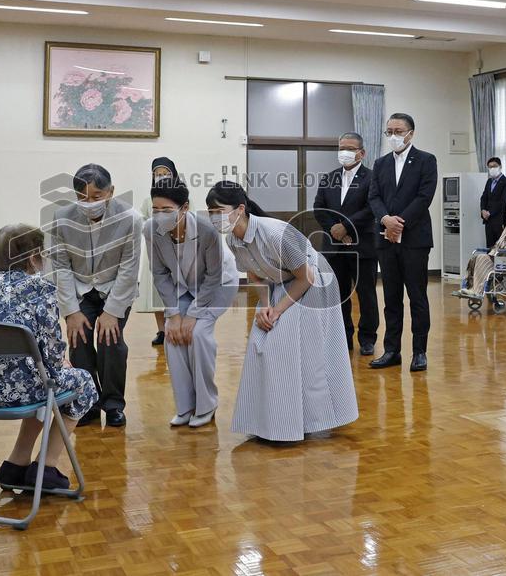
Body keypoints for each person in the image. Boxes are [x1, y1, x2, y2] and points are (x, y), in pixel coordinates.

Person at [206, 180, 358, 442]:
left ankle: (305, 422)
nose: (213, 217)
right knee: (259, 342)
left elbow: (306, 277)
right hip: (280, 284)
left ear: (240, 209)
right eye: (210, 212)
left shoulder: (276, 233)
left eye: (218, 210)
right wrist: (266, 307)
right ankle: (267, 422)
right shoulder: (233, 240)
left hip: (314, 283)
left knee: (288, 346)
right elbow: (256, 276)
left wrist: (277, 311)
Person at [0, 224, 99, 490]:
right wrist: (60, 362)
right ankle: (45, 467)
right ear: (33, 256)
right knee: (82, 384)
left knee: (41, 379)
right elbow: (52, 346)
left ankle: (16, 463)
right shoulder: (39, 289)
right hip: (18, 391)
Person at [49, 164, 142, 428]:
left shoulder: (131, 219)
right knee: (78, 342)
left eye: (96, 196)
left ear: (111, 192)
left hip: (115, 290)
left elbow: (128, 268)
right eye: (82, 198)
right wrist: (71, 311)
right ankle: (87, 403)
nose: (89, 203)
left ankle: (113, 404)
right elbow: (60, 266)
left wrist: (112, 312)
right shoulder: (62, 217)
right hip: (79, 290)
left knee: (111, 342)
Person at [145, 178, 238, 428]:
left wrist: (193, 314)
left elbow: (213, 276)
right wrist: (174, 314)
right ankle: (185, 406)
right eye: (155, 210)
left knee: (197, 334)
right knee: (173, 336)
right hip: (182, 287)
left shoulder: (207, 231)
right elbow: (160, 274)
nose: (159, 215)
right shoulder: (149, 230)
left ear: (184, 207)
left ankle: (207, 403)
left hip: (219, 284)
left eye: (166, 210)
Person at [367, 113, 437, 373]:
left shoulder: (426, 160)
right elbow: (374, 197)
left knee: (417, 297)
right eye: (389, 132)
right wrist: (386, 219)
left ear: (411, 133)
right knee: (391, 297)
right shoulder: (381, 163)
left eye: (398, 131)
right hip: (386, 240)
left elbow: (424, 197)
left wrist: (400, 222)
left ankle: (419, 351)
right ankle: (391, 350)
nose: (393, 136)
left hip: (415, 239)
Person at [312, 132, 378, 355]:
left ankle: (368, 338)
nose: (344, 153)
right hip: (333, 248)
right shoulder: (329, 177)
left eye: (350, 148)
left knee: (366, 294)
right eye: (341, 148)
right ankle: (343, 337)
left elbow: (372, 208)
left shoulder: (372, 178)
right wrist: (335, 230)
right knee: (338, 295)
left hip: (362, 247)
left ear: (362, 152)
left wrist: (347, 227)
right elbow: (319, 207)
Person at [139, 158, 180, 346]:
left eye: (165, 173)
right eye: (158, 174)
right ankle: (162, 330)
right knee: (157, 292)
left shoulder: (182, 197)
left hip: (177, 250)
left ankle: (176, 326)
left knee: (176, 290)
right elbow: (143, 223)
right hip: (155, 249)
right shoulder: (149, 200)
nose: (161, 177)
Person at [459, 200, 506, 297]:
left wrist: (502, 250)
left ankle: (476, 291)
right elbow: (499, 243)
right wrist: (495, 250)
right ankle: (470, 288)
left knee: (482, 258)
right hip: (500, 256)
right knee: (475, 259)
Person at [479, 156, 506, 248]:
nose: (492, 168)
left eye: (494, 166)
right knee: (490, 246)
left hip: (499, 219)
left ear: (500, 166)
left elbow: (503, 201)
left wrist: (490, 212)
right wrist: (483, 210)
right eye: (490, 167)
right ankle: (490, 262)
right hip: (488, 220)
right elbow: (484, 197)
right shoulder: (489, 181)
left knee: (500, 246)